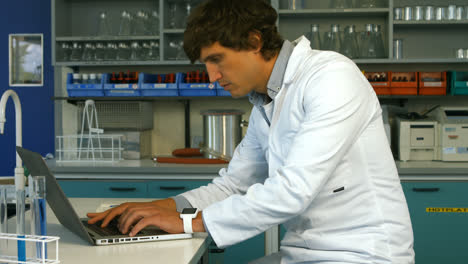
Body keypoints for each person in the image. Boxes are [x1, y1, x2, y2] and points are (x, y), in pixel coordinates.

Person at [88, 0, 415, 263]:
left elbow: (291, 191)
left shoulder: (331, 77)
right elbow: (234, 185)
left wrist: (189, 222)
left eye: (217, 60)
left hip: (363, 254)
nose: (212, 76)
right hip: (303, 253)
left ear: (254, 42)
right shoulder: (266, 101)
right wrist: (163, 207)